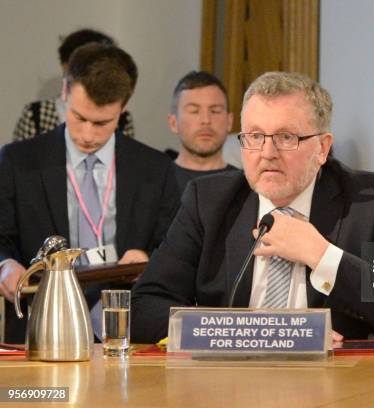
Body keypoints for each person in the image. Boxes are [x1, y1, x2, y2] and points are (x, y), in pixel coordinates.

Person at [131, 71, 374, 343]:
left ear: (322, 147)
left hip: (339, 383)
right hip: (228, 384)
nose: (267, 153)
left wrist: (322, 255)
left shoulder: (373, 200)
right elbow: (144, 307)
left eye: (286, 137)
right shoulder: (209, 201)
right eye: (255, 136)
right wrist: (253, 332)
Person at [0, 43, 180, 342]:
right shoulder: (18, 162)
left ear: (123, 107)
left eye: (101, 123)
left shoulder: (155, 168)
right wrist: (5, 265)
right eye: (79, 117)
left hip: (128, 326)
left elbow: (175, 245)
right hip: (42, 322)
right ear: (65, 93)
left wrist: (147, 258)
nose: (87, 135)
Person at [13, 28, 135, 141]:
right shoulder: (36, 115)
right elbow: (18, 159)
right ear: (65, 65)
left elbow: (126, 160)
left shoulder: (122, 118)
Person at [168, 71, 239, 194]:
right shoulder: (154, 186)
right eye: (194, 111)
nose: (206, 120)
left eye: (215, 111)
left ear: (229, 121)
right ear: (173, 123)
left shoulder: (247, 188)